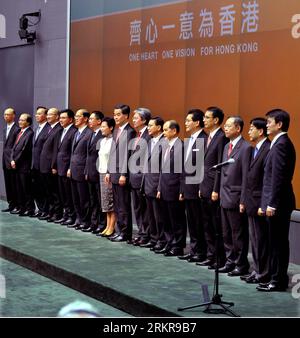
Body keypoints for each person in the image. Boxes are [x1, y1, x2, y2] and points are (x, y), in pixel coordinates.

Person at [257, 109, 296, 292]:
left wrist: (271, 204)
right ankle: (274, 278)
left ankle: (278, 281)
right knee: (274, 243)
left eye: (269, 122)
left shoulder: (281, 144)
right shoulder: (278, 143)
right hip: (275, 203)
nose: (266, 125)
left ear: (279, 124)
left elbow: (278, 178)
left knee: (278, 244)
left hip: (279, 204)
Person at [219, 116, 251, 276]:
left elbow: (246, 176)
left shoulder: (246, 147)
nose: (225, 128)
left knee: (238, 234)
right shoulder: (226, 146)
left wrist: (243, 199)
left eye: (229, 126)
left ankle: (241, 264)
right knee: (226, 233)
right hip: (224, 196)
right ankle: (230, 261)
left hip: (237, 197)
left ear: (238, 128)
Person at [240, 118, 270, 284]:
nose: (249, 131)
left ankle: (263, 272)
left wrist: (263, 204)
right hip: (251, 201)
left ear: (260, 131)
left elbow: (266, 179)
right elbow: (248, 177)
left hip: (260, 202)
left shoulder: (268, 148)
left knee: (261, 240)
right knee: (255, 239)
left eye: (252, 129)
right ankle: (257, 270)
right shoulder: (254, 149)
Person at [198, 107, 228, 269]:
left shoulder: (221, 137)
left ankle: (219, 257)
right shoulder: (209, 137)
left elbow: (219, 167)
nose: (204, 120)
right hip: (204, 185)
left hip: (213, 189)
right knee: (207, 224)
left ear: (216, 120)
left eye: (207, 117)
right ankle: (210, 255)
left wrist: (216, 189)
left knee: (216, 225)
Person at [179, 109, 207, 263]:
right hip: (188, 187)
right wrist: (182, 189)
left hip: (198, 188)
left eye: (188, 120)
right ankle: (194, 250)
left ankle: (201, 251)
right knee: (192, 222)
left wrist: (200, 188)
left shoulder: (204, 139)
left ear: (197, 122)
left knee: (199, 222)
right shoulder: (189, 140)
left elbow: (203, 167)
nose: (186, 123)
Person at [105, 104, 135, 243]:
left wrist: (124, 174)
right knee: (117, 204)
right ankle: (119, 230)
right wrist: (108, 171)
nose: (115, 117)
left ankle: (125, 233)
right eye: (114, 114)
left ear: (126, 116)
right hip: (114, 172)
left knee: (123, 205)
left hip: (122, 174)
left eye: (118, 114)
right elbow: (113, 153)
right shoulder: (117, 131)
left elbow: (127, 156)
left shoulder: (130, 132)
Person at [157, 120, 186, 256]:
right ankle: (169, 243)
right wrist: (159, 188)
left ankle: (177, 246)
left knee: (177, 220)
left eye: (166, 130)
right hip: (163, 187)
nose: (163, 132)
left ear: (174, 131)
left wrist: (181, 190)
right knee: (166, 219)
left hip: (175, 188)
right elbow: (162, 170)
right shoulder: (165, 146)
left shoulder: (181, 146)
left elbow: (183, 171)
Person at [142, 117, 165, 251]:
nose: (148, 128)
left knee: (159, 216)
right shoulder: (150, 141)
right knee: (150, 214)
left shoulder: (164, 142)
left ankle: (161, 240)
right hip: (148, 183)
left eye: (151, 125)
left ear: (159, 127)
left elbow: (163, 167)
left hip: (157, 183)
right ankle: (153, 238)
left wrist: (159, 186)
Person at [129, 107, 152, 246]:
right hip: (134, 178)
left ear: (144, 120)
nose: (133, 120)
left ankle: (146, 235)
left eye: (136, 118)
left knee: (144, 210)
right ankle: (141, 233)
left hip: (142, 179)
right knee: (137, 208)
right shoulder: (136, 135)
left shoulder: (148, 137)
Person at [52, 109, 77, 226]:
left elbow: (73, 152)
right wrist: (55, 166)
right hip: (59, 168)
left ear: (70, 119)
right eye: (60, 118)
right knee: (62, 194)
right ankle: (65, 215)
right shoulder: (61, 131)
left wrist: (70, 168)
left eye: (63, 118)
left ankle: (71, 217)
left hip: (67, 168)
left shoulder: (73, 131)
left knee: (69, 195)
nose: (60, 120)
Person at [68, 109, 93, 230]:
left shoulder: (89, 133)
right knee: (75, 198)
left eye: (79, 116)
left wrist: (86, 170)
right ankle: (78, 219)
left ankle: (85, 221)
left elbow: (88, 155)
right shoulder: (76, 132)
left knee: (84, 198)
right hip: (73, 170)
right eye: (76, 116)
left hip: (82, 171)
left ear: (85, 118)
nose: (76, 118)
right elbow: (72, 153)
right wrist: (69, 168)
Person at [39, 108, 63, 222]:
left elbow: (55, 150)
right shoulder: (49, 128)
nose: (48, 117)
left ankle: (56, 213)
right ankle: (49, 211)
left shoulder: (58, 129)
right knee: (47, 191)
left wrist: (54, 166)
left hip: (50, 166)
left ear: (57, 116)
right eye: (47, 115)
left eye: (50, 115)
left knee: (54, 192)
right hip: (43, 165)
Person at [84, 111, 105, 234]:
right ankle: (93, 222)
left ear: (99, 121)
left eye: (92, 119)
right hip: (90, 171)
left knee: (99, 200)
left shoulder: (102, 136)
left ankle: (101, 224)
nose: (89, 121)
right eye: (89, 119)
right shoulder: (91, 134)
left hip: (98, 172)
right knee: (92, 199)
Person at [10, 113, 35, 216]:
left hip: (24, 165)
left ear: (28, 122)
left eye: (22, 120)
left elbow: (24, 150)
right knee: (19, 188)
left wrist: (15, 161)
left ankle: (29, 209)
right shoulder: (19, 132)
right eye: (19, 120)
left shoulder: (30, 133)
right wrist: (12, 159)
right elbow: (14, 148)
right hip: (16, 165)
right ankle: (21, 207)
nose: (20, 122)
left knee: (26, 188)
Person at [97, 117, 116, 237]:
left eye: (104, 126)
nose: (101, 129)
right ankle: (107, 225)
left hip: (108, 174)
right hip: (101, 172)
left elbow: (113, 159)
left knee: (110, 201)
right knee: (105, 201)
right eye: (101, 126)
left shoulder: (114, 141)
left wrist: (109, 172)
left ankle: (112, 227)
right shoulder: (102, 140)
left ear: (111, 128)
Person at [31, 106, 51, 218]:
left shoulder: (48, 129)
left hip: (43, 165)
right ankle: (40, 209)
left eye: (39, 113)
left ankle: (46, 210)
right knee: (37, 189)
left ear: (45, 115)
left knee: (45, 189)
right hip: (35, 164)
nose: (37, 115)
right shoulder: (36, 128)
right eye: (36, 113)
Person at [2, 108, 20, 213]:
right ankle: (11, 204)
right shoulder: (5, 129)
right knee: (8, 184)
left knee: (14, 184)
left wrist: (13, 159)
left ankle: (17, 204)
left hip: (12, 161)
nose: (5, 116)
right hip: (5, 160)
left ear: (13, 116)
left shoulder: (17, 129)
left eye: (8, 114)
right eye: (4, 114)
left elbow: (15, 147)